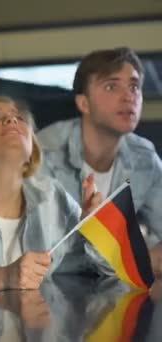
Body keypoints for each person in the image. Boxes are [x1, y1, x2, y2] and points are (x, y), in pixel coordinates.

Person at [0, 96, 104, 298]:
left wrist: (97, 229)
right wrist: (2, 278)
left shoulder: (53, 197)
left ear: (32, 152)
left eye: (19, 118)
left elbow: (95, 269)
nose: (11, 121)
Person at [37, 47, 162, 275]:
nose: (128, 96)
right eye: (111, 86)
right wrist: (135, 261)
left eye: (134, 86)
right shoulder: (45, 152)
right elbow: (42, 255)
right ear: (84, 103)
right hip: (50, 294)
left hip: (111, 293)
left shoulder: (145, 158)